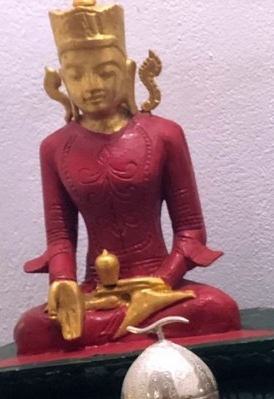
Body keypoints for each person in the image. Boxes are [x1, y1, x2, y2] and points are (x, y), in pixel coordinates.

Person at [14, 0, 240, 355]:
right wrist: (63, 282)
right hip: (97, 294)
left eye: (104, 72)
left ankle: (130, 328)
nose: (91, 85)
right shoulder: (54, 148)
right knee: (33, 330)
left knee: (216, 308)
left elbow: (191, 231)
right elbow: (60, 238)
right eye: (76, 75)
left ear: (128, 71)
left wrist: (161, 282)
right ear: (59, 82)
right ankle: (136, 329)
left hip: (160, 285)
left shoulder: (164, 134)